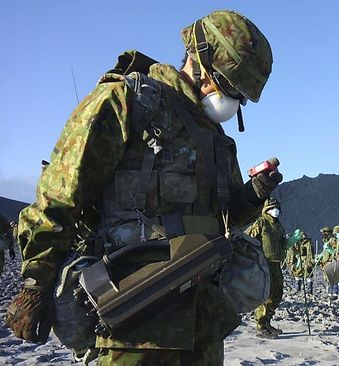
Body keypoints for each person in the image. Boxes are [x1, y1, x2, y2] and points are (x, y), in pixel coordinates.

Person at [6, 10, 280, 365]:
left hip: (204, 324)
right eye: (228, 85)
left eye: (240, 95)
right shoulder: (127, 102)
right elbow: (58, 198)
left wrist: (254, 193)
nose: (232, 102)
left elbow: (220, 220)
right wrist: (35, 284)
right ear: (199, 57)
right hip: (130, 323)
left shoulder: (215, 139)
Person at [246, 198, 295, 339]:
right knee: (266, 295)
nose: (276, 211)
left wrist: (291, 241)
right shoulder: (261, 222)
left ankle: (267, 322)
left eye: (278, 208)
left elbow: (282, 244)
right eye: (273, 208)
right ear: (266, 210)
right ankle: (260, 326)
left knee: (277, 294)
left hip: (276, 263)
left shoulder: (278, 226)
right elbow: (249, 239)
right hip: (263, 263)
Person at [287, 230, 315, 295]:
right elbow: (293, 252)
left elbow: (310, 254)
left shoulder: (308, 243)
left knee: (308, 275)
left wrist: (310, 263)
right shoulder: (297, 243)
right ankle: (297, 288)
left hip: (306, 260)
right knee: (297, 274)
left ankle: (309, 290)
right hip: (299, 261)